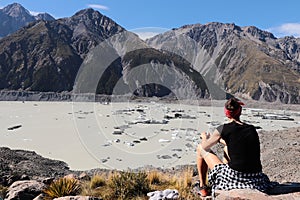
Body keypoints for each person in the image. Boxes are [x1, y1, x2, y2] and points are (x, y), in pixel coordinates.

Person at [195, 97, 276, 197]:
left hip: (236, 178)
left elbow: (204, 146)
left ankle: (202, 187)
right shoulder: (251, 129)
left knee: (199, 149)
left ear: (226, 113)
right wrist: (222, 141)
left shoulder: (223, 129)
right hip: (256, 178)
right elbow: (236, 142)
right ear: (240, 111)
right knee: (226, 148)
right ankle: (220, 177)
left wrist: (204, 138)